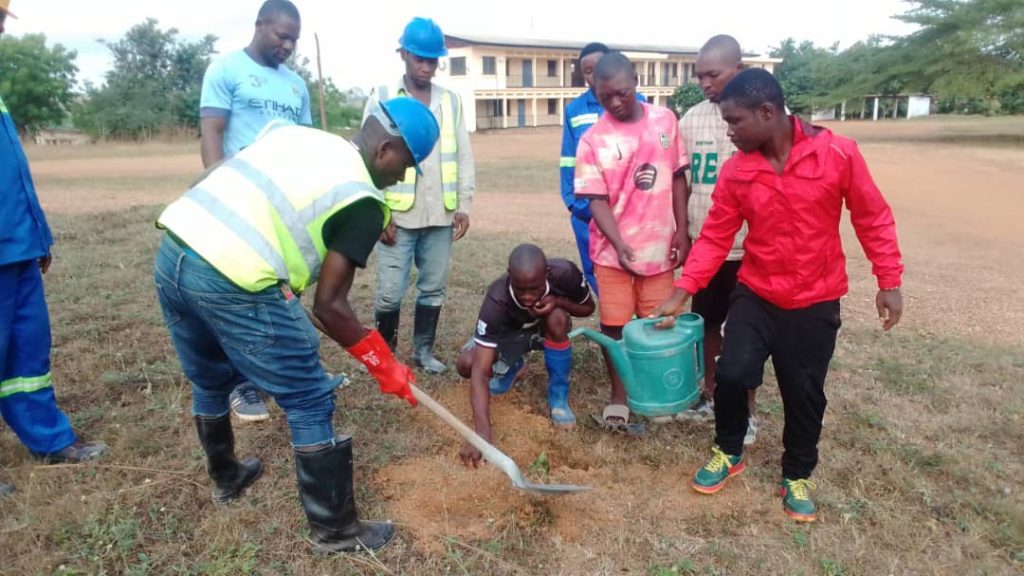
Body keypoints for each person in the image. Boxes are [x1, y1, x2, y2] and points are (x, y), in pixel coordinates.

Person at [154, 97, 440, 553]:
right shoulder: (363, 200)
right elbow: (330, 307)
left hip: (175, 249)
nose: (403, 177)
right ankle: (337, 532)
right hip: (232, 278)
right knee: (308, 396)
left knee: (209, 377)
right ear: (386, 149)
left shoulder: (297, 135)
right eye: (408, 166)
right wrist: (384, 365)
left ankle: (227, 477)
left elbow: (214, 176)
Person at [651, 68, 904, 523]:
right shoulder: (737, 171)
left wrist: (889, 281)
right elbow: (714, 236)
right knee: (731, 373)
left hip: (816, 299)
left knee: (804, 392)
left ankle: (797, 474)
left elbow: (873, 217)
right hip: (757, 293)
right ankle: (729, 451)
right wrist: (683, 289)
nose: (729, 131)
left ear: (768, 112)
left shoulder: (838, 154)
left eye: (735, 121)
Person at [0, 0, 108, 498]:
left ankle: (49, 440)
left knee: (27, 357)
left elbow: (13, 177)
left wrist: (38, 237)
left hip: (17, 250)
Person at [198, 0, 312, 422]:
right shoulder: (225, 69)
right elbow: (212, 130)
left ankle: (273, 369)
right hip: (238, 196)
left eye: (294, 40)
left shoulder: (296, 86)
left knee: (279, 285)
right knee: (238, 289)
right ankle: (241, 384)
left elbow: (302, 142)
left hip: (282, 201)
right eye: (282, 35)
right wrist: (214, 186)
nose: (287, 45)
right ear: (260, 25)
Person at [573, 52, 690, 428]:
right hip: (612, 254)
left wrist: (682, 229)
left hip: (659, 251)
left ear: (636, 80)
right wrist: (619, 243)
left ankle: (657, 392)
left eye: (622, 93)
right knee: (615, 327)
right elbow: (596, 200)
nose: (616, 102)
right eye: (606, 97)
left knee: (657, 324)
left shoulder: (665, 120)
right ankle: (620, 396)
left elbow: (676, 178)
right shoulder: (593, 140)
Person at [362, 17, 475, 376]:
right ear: (403, 55)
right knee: (390, 293)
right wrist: (378, 213)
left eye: (433, 60)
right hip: (398, 216)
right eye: (419, 59)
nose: (426, 67)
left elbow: (464, 154)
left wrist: (464, 204)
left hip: (440, 215)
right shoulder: (381, 97)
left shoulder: (451, 102)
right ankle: (386, 356)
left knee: (433, 288)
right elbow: (367, 158)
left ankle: (423, 352)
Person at [676, 35, 758, 446]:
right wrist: (684, 235)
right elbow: (682, 182)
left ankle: (747, 411)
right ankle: (709, 395)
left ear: (738, 70)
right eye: (700, 75)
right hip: (705, 248)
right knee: (706, 326)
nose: (706, 82)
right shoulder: (690, 120)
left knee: (745, 335)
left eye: (714, 74)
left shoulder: (761, 116)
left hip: (749, 250)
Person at [455, 244, 595, 466]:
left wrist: (556, 302)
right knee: (466, 363)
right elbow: (480, 371)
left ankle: (558, 397)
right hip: (508, 336)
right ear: (510, 276)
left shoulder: (565, 273)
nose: (528, 297)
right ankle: (512, 366)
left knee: (557, 318)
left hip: (544, 328)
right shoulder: (496, 298)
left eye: (535, 288)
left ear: (547, 274)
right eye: (521, 289)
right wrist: (482, 434)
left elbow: (588, 308)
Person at [559, 42, 645, 294]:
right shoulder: (574, 110)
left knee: (635, 265)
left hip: (630, 210)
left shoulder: (638, 104)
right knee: (596, 270)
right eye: (587, 71)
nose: (593, 76)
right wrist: (573, 203)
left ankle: (636, 326)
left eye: (598, 68)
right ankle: (615, 323)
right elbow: (568, 159)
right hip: (587, 211)